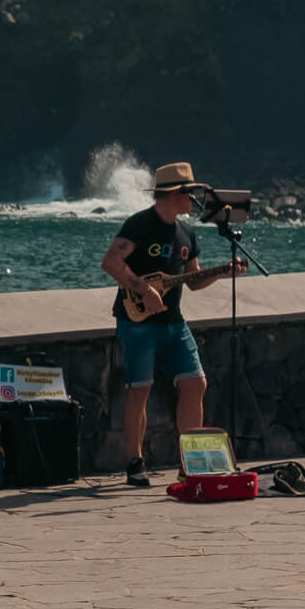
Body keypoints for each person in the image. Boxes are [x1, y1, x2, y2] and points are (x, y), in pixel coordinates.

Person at [99, 162, 242, 488]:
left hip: (174, 322)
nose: (194, 201)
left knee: (196, 384)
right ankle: (135, 463)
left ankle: (190, 464)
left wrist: (221, 272)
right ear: (173, 194)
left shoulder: (186, 234)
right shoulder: (139, 225)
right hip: (137, 322)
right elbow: (111, 262)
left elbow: (192, 280)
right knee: (139, 390)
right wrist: (141, 288)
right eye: (190, 194)